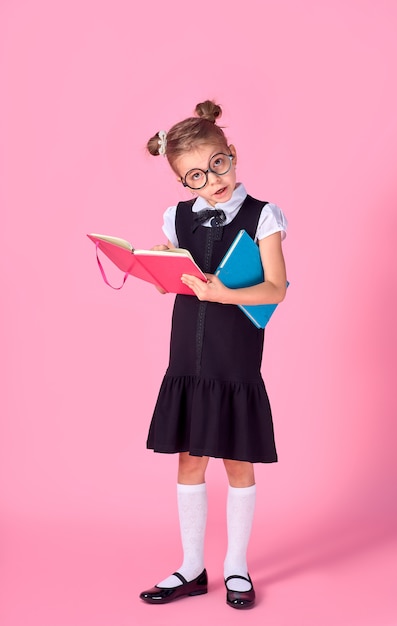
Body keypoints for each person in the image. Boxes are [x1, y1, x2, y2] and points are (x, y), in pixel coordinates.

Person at [139, 100, 288, 609]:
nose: (211, 181)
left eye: (218, 164)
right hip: (188, 362)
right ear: (184, 182)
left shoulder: (261, 215)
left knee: (238, 463)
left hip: (235, 363)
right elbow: (170, 284)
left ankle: (236, 568)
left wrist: (220, 293)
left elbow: (275, 289)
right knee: (189, 459)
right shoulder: (177, 218)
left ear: (231, 153)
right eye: (196, 176)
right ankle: (191, 567)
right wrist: (152, 268)